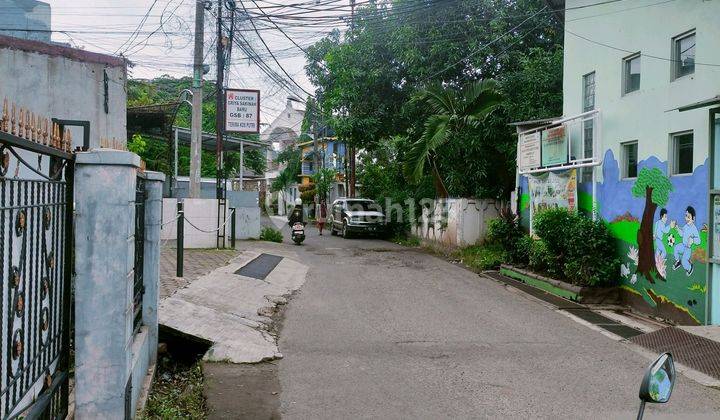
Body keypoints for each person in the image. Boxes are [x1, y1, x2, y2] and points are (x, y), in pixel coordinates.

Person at [672, 206, 700, 276]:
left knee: (685, 262)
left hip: (688, 249)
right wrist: (677, 228)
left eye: (688, 217)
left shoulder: (694, 229)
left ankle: (690, 267)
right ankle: (678, 261)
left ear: (693, 219)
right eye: (686, 216)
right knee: (676, 248)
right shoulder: (685, 226)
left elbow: (698, 241)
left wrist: (693, 240)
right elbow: (682, 234)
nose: (686, 218)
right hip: (683, 245)